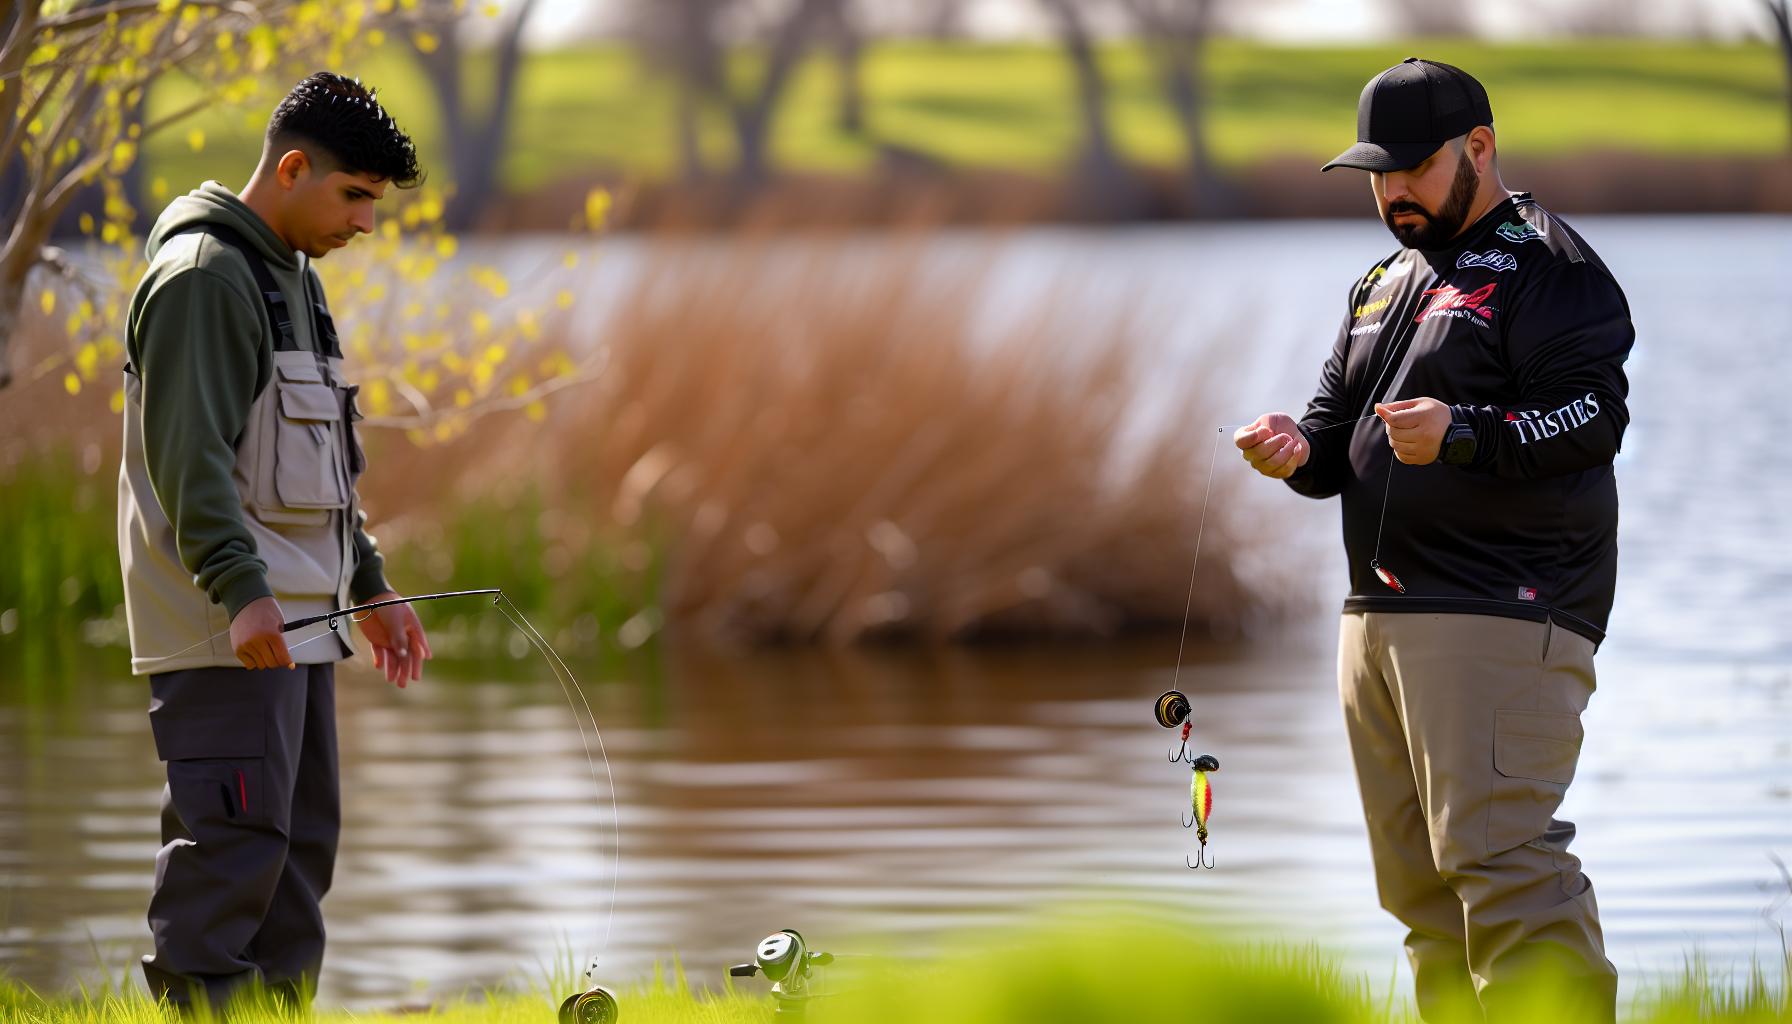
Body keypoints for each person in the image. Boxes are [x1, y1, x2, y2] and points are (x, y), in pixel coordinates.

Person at [1234, 58, 1632, 1023]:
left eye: (1413, 167)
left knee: (1506, 876)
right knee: (1421, 899)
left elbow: (1593, 418)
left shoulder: (1553, 267)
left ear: (1480, 149)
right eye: (1378, 173)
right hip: (1376, 622)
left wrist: (1463, 432)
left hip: (1502, 614)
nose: (1393, 192)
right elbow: (1332, 439)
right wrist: (1296, 450)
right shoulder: (1381, 281)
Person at [118, 72, 433, 1011]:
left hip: (301, 623)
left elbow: (319, 468)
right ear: (292, 168)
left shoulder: (295, 276)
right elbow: (191, 460)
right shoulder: (204, 278)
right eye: (354, 196)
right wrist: (241, 591)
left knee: (298, 855)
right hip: (233, 628)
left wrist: (369, 583)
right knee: (232, 854)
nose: (365, 223)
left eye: (374, 203)